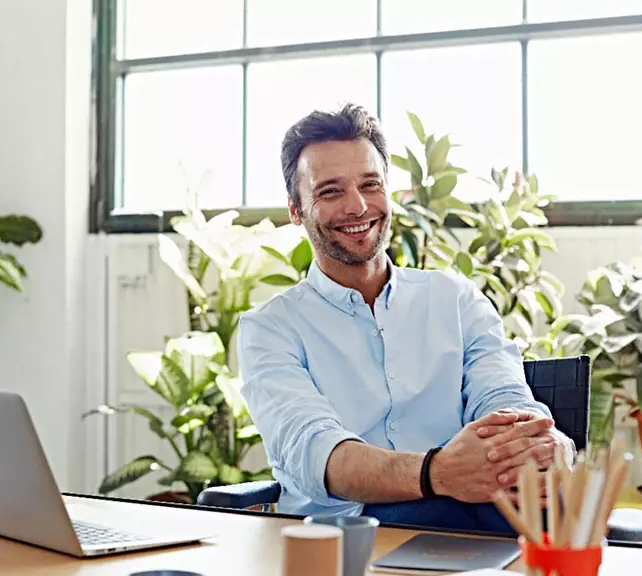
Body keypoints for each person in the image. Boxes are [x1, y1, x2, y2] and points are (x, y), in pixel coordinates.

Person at [237, 103, 574, 533]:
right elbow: (317, 452)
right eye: (330, 191)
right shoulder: (269, 329)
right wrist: (437, 472)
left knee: (550, 513)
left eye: (370, 184)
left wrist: (545, 444)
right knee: (440, 515)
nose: (357, 207)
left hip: (478, 520)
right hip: (347, 536)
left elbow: (504, 398)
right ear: (296, 209)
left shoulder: (455, 299)